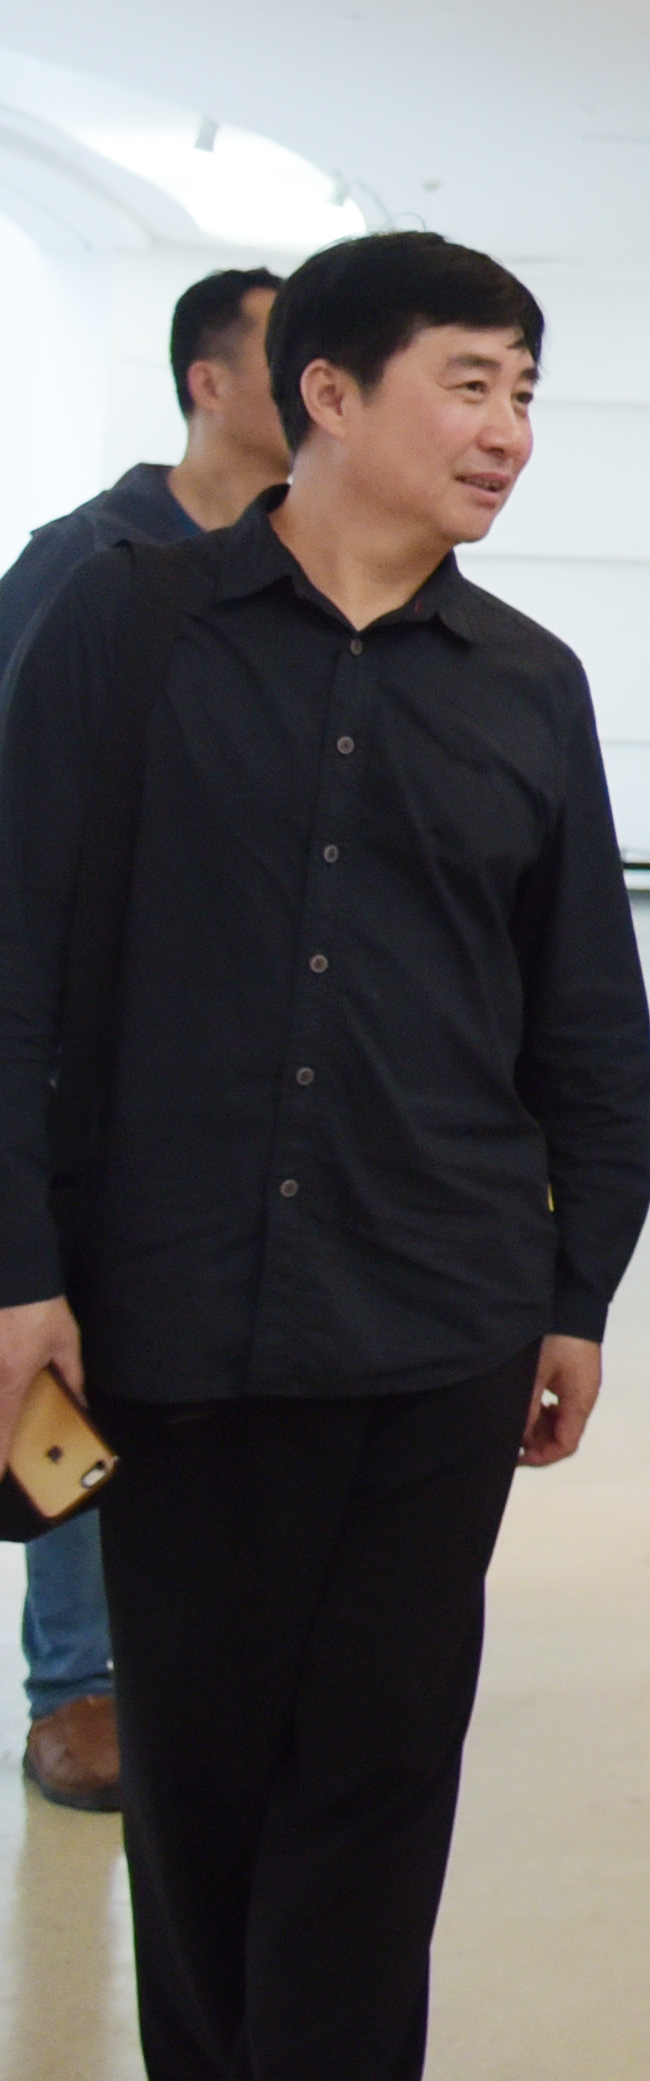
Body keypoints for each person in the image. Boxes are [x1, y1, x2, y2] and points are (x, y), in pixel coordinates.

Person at [0, 230, 650, 2081]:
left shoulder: (527, 682)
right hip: (179, 1315)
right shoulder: (126, 628)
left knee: (378, 1791)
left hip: (441, 1325)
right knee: (202, 1796)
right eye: (471, 384)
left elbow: (584, 1016)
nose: (510, 431)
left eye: (526, 393)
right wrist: (18, 1264)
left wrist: (578, 1291)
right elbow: (12, 962)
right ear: (330, 394)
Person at [0, 263, 290, 1814]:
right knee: (67, 1364)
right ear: (207, 381)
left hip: (232, 1060)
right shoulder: (89, 565)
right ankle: (77, 1682)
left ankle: (180, 1665)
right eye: (281, 355)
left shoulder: (305, 573)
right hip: (81, 1058)